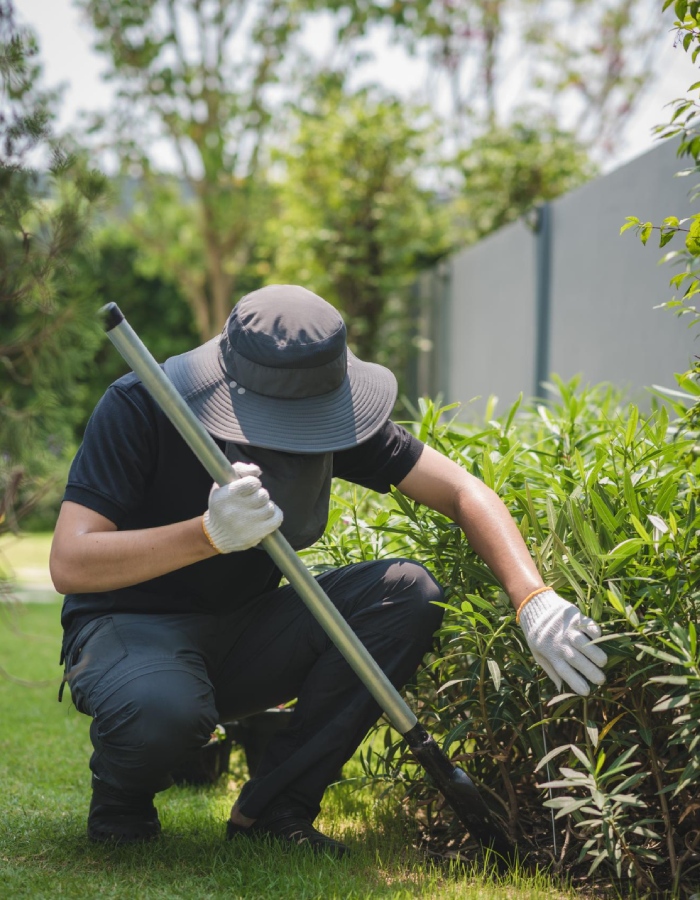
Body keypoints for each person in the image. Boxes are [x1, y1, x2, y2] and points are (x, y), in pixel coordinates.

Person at [50, 284, 609, 855]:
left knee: (407, 592)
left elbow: (464, 492)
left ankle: (273, 810)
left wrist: (531, 596)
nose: (299, 433)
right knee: (161, 713)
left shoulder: (324, 418)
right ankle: (122, 799)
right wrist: (206, 535)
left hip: (246, 631)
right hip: (130, 629)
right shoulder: (142, 406)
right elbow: (71, 561)